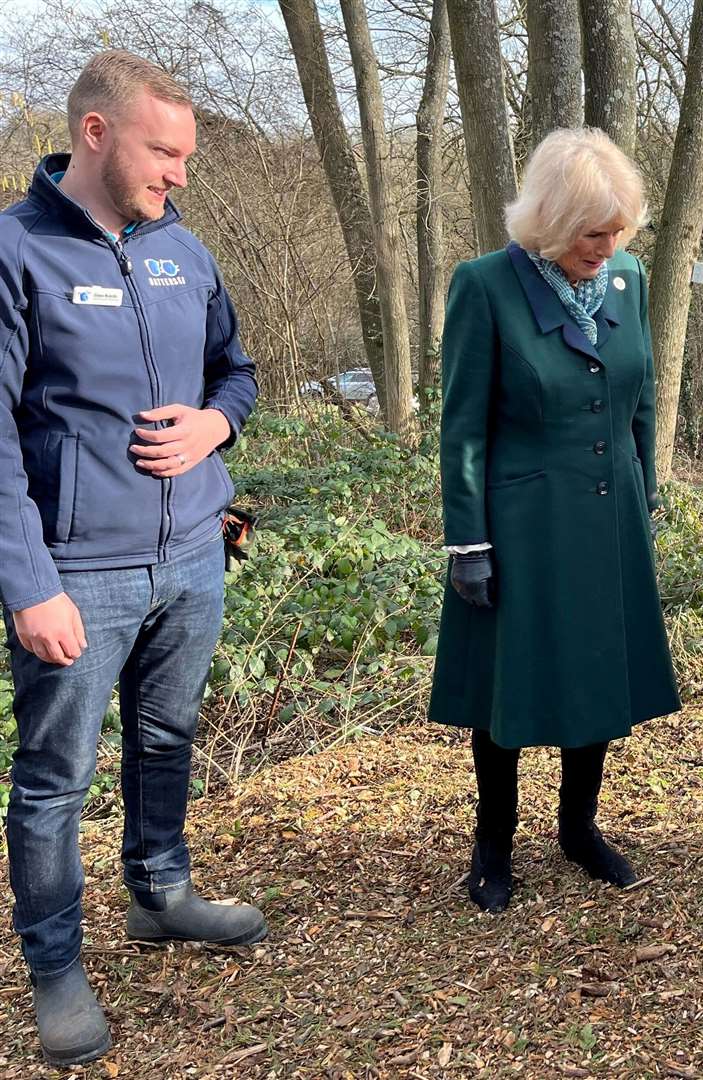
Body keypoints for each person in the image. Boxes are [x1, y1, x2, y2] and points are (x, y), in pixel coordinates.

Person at [0, 51, 264, 1065]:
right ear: (98, 133)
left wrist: (213, 427)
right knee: (55, 777)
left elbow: (236, 374)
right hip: (77, 574)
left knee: (168, 741)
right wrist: (30, 585)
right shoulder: (17, 255)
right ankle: (56, 964)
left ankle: (161, 895)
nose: (181, 175)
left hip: (193, 554)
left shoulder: (183, 253)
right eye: (166, 152)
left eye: (187, 156)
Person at [428, 127, 681, 913]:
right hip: (521, 523)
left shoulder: (627, 279)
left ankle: (578, 828)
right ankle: (492, 842)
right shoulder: (485, 286)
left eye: (618, 231)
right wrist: (467, 539)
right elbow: (461, 426)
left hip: (609, 516)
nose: (606, 247)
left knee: (597, 671)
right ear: (547, 220)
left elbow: (637, 395)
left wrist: (644, 498)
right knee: (510, 686)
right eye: (590, 232)